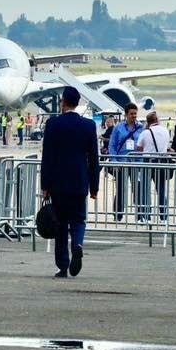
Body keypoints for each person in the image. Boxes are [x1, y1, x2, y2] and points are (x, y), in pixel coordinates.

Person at [39, 86, 99, 278]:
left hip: (58, 182)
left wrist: (45, 185)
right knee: (79, 219)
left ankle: (63, 265)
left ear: (63, 102)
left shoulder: (53, 124)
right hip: (79, 180)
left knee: (61, 224)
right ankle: (78, 245)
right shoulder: (88, 125)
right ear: (78, 103)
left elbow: (48, 156)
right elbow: (94, 158)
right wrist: (94, 186)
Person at [134, 111, 171, 222]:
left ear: (148, 121)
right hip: (162, 161)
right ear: (157, 120)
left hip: (148, 161)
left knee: (145, 189)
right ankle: (163, 215)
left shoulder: (145, 132)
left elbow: (139, 148)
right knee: (161, 189)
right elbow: (167, 145)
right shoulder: (165, 130)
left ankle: (146, 215)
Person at [107, 104, 142, 220]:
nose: (134, 116)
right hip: (121, 163)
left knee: (137, 188)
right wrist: (114, 161)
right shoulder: (118, 128)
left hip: (136, 163)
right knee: (121, 188)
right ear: (126, 114)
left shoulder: (141, 127)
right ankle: (118, 214)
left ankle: (140, 214)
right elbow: (112, 145)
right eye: (131, 113)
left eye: (135, 113)